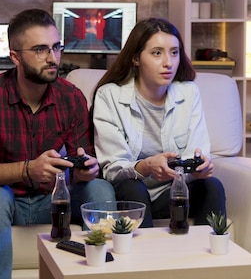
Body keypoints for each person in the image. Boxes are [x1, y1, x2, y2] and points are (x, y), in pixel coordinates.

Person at [0, 8, 115, 279]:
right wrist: (27, 169)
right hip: (2, 203)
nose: (53, 58)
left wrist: (86, 169)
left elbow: (82, 160)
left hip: (51, 200)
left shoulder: (71, 98)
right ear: (15, 56)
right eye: (40, 50)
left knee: (100, 188)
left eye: (56, 47)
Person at [91, 17, 226, 227]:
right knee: (132, 187)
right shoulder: (109, 95)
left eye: (174, 52)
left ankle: (210, 256)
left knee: (212, 186)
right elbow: (112, 168)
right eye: (157, 53)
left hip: (172, 191)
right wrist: (145, 167)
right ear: (136, 58)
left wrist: (198, 167)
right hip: (130, 192)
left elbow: (197, 150)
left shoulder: (188, 92)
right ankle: (143, 257)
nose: (168, 62)